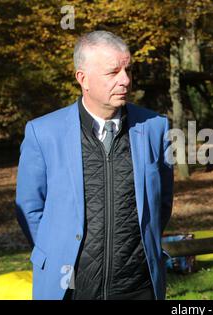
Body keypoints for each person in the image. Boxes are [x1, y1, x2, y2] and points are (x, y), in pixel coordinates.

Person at [15, 31, 174, 300]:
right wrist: (56, 253)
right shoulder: (43, 133)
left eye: (128, 70)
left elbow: (162, 202)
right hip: (69, 289)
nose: (125, 80)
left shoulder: (155, 127)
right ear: (82, 79)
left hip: (137, 287)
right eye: (113, 72)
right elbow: (30, 208)